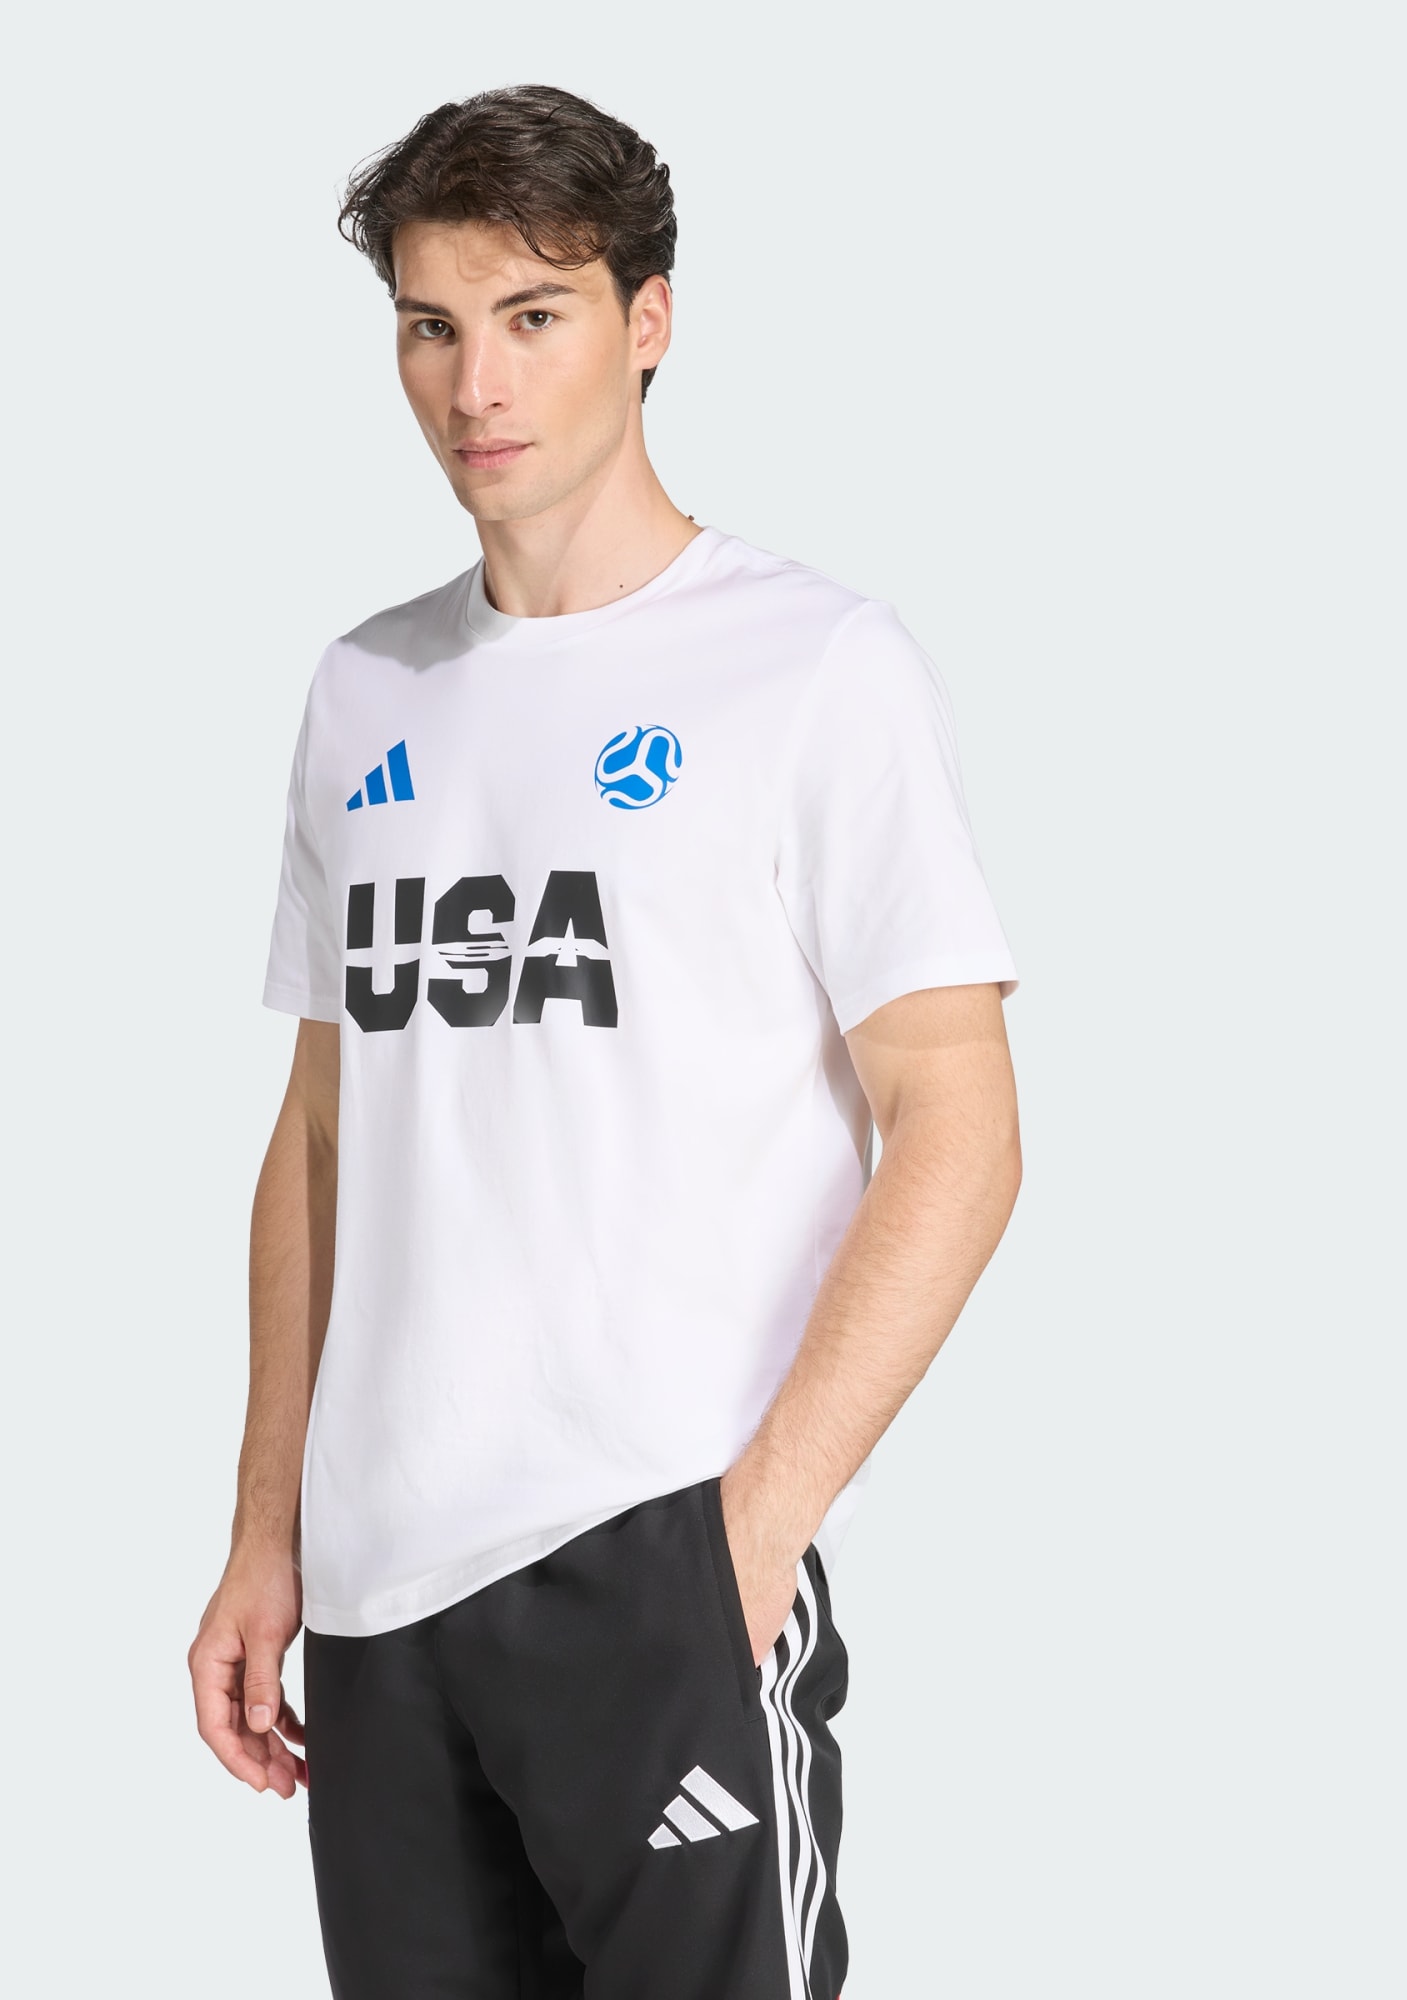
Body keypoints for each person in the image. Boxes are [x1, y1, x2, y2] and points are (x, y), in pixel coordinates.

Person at [188, 83, 1022, 2000]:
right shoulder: (364, 687)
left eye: (533, 315)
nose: (474, 383)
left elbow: (960, 1127)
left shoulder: (812, 666)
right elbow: (321, 1138)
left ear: (649, 322)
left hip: (654, 1559)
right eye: (430, 324)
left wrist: (754, 1532)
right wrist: (266, 1532)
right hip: (382, 1602)